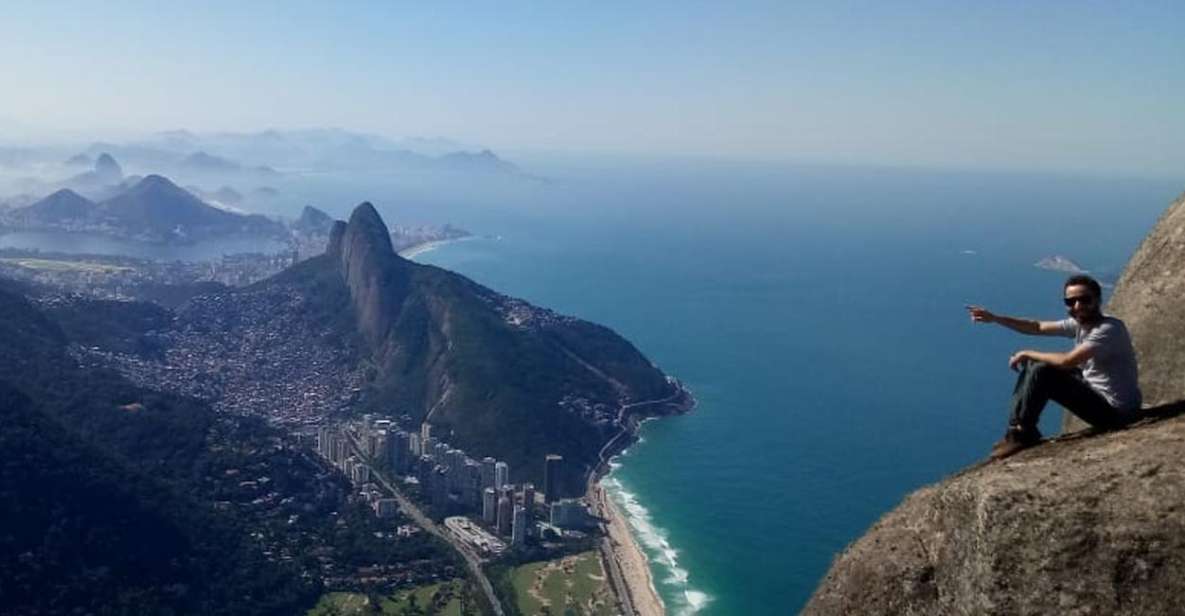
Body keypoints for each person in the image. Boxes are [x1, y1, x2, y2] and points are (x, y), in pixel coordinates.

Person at [966, 274, 1141, 460]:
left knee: (1043, 371)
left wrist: (1027, 353)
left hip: (1116, 412)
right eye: (1070, 301)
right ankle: (1015, 431)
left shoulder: (1107, 329)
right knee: (1035, 366)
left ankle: (1024, 433)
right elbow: (1037, 326)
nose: (1077, 306)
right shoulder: (1080, 324)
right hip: (1096, 392)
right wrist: (995, 318)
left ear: (1098, 300)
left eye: (1085, 299)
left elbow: (1068, 361)